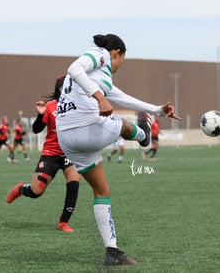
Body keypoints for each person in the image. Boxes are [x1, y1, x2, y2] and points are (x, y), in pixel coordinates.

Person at [56, 34, 181, 266]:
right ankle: (143, 136)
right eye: (123, 59)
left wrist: (157, 110)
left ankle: (112, 252)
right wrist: (99, 98)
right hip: (85, 129)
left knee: (102, 191)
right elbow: (73, 68)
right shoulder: (101, 55)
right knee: (122, 124)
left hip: (66, 138)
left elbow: (123, 98)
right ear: (117, 53)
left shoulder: (99, 78)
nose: (121, 65)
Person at [5, 76, 81, 233]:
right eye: (66, 86)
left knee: (74, 182)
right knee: (36, 192)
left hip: (69, 153)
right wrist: (40, 115)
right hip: (50, 154)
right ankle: (21, 189)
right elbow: (36, 129)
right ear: (60, 89)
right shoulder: (50, 107)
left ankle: (63, 222)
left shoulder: (77, 106)